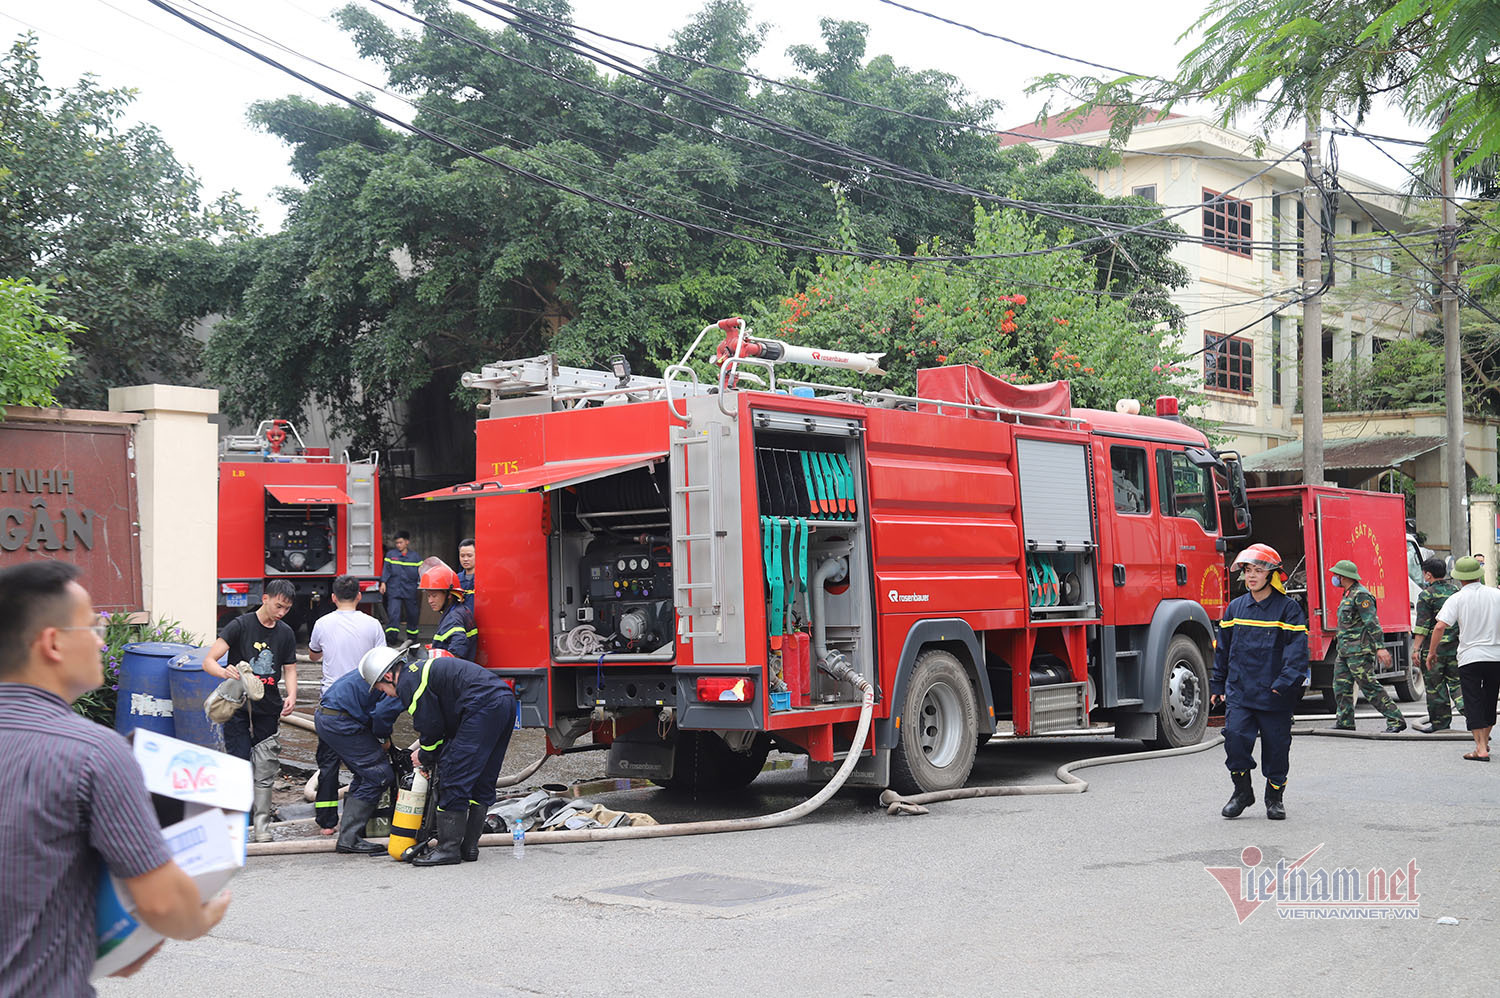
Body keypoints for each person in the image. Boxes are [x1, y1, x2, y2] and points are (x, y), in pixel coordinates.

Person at [0, 562, 231, 993]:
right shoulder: (92, 753)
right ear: (52, 643)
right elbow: (161, 901)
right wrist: (197, 918)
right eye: (90, 628)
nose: (98, 641)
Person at [361, 646, 516, 866]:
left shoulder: (408, 684)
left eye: (380, 687)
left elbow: (431, 726)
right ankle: (468, 847)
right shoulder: (419, 671)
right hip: (503, 701)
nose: (384, 693)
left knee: (454, 778)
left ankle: (448, 849)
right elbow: (445, 724)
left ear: (388, 676)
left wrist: (424, 755)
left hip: (481, 707)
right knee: (482, 777)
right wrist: (433, 752)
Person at [1210, 544, 1309, 821]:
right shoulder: (1235, 608)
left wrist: (1283, 684)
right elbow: (1223, 650)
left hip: (1275, 694)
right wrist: (1218, 686)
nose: (1252, 576)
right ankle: (1242, 793)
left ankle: (1274, 798)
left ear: (1272, 574)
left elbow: (1297, 653)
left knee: (1277, 749)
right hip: (1241, 692)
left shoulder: (1288, 610)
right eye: (1248, 570)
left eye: (1259, 570)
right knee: (1235, 742)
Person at [202, 578, 299, 842]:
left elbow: (289, 668)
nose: (281, 613)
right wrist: (224, 671)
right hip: (236, 706)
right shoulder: (240, 625)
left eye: (286, 609)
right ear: (265, 598)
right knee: (239, 764)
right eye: (278, 606)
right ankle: (237, 825)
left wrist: (292, 694)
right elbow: (208, 661)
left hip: (268, 707)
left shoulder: (285, 633)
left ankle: (262, 827)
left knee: (266, 768)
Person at [308, 574, 388, 835]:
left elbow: (313, 653)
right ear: (359, 597)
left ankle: (327, 823)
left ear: (333, 598)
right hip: (364, 701)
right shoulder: (373, 624)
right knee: (363, 762)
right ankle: (357, 820)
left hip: (331, 704)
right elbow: (383, 660)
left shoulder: (322, 623)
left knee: (328, 765)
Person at [314, 666, 405, 855]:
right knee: (378, 775)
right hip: (341, 721)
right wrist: (383, 739)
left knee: (365, 775)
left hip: (331, 716)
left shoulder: (391, 668)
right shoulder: (402, 681)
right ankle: (349, 838)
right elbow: (382, 714)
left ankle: (350, 835)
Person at [1429, 556, 1500, 762]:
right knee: (1489, 699)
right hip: (1496, 657)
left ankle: (1480, 748)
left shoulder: (1457, 598)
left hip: (1470, 657)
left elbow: (1440, 626)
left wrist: (1432, 652)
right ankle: (1483, 743)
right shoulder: (1496, 595)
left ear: (1459, 578)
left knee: (1473, 701)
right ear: (1479, 575)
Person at [1327, 559, 1407, 733]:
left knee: (1369, 686)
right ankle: (1345, 721)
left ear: (1343, 576)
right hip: (1345, 651)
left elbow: (1372, 623)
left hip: (1359, 651)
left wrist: (1380, 647)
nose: (1334, 578)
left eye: (1336, 575)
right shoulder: (1348, 594)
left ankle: (1395, 719)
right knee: (1341, 686)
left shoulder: (1361, 595)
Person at [1412, 557, 1465, 733]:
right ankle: (1476, 719)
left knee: (1436, 687)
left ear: (1428, 575)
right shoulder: (1456, 591)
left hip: (1433, 650)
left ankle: (1440, 724)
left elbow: (1423, 626)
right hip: (1456, 648)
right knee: (1458, 684)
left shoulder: (1426, 595)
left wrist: (1416, 649)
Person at [422, 563, 476, 660]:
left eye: (434, 596)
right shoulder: (459, 610)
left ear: (449, 595)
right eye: (428, 596)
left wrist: (446, 666)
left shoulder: (453, 617)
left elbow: (459, 644)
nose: (430, 601)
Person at [380, 530, 422, 645]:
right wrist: (383, 582)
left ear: (407, 542)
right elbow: (386, 570)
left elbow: (422, 573)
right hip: (394, 590)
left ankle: (412, 638)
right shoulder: (391, 555)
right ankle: (391, 639)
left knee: (412, 615)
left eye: (401, 542)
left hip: (410, 590)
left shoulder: (415, 557)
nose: (398, 545)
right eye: (397, 543)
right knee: (393, 614)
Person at [457, 537, 476, 604]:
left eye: (469, 556)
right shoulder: (456, 579)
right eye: (462, 556)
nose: (465, 559)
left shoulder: (485, 579)